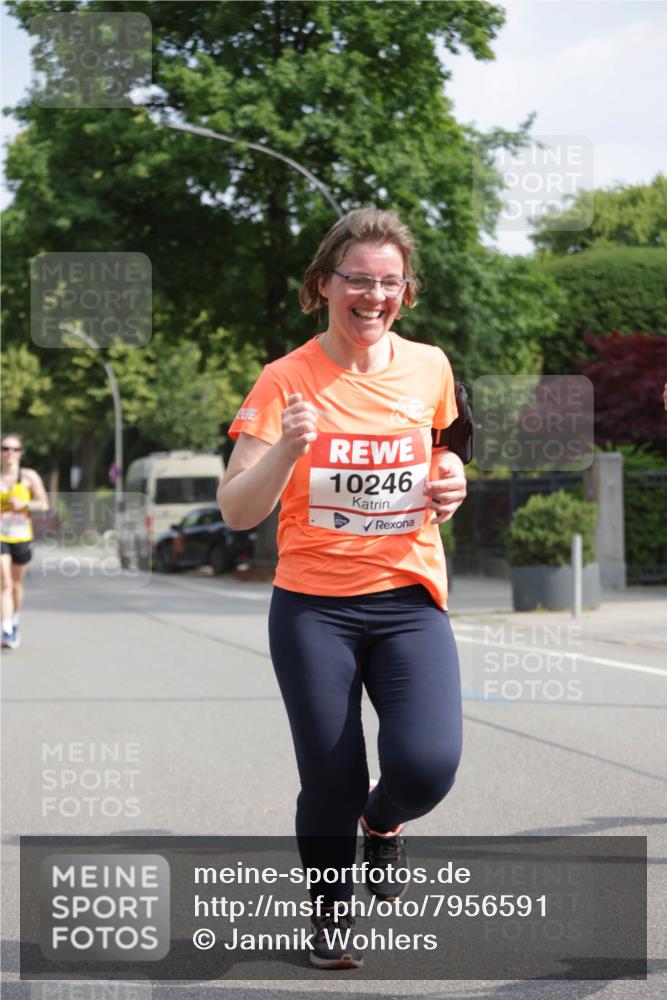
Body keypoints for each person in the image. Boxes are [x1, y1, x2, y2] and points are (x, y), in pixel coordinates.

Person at [218, 208, 466, 970]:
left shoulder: (429, 368)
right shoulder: (284, 379)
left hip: (406, 596)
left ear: (407, 293)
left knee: (427, 765)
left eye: (388, 282)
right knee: (331, 777)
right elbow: (236, 509)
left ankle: (384, 822)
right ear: (324, 284)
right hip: (313, 608)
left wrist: (455, 479)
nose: (372, 295)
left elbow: (449, 455)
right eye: (357, 279)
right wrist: (288, 448)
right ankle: (329, 913)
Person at [1, 433, 49, 649]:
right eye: (5, 448)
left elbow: (44, 504)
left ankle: (15, 619)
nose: (9, 453)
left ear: (21, 453)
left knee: (17, 584)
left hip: (21, 535)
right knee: (4, 582)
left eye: (14, 449)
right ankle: (7, 628)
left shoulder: (29, 477)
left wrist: (24, 504)